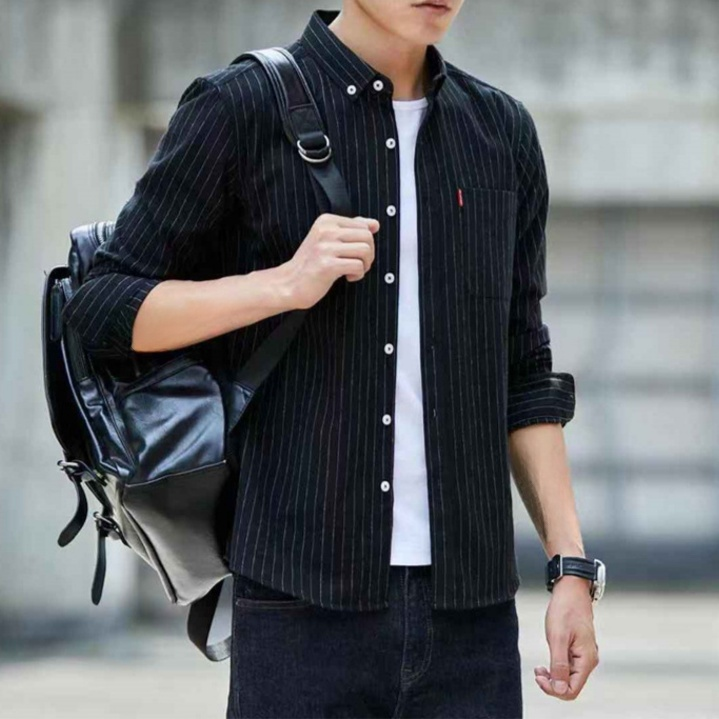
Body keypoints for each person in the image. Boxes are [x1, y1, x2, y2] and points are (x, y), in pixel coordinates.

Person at [63, 2, 603, 717]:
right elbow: (100, 308)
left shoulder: (500, 131)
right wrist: (282, 285)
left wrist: (570, 568)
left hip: (471, 619)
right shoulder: (240, 108)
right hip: (299, 607)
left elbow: (524, 369)